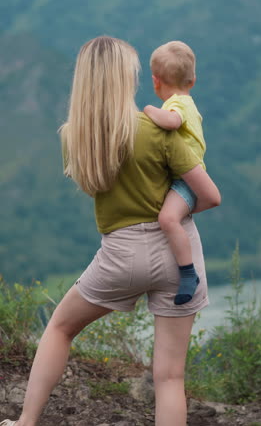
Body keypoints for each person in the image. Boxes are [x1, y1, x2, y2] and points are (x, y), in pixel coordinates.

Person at [1, 36, 221, 426]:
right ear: (127, 78)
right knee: (170, 377)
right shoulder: (157, 130)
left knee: (61, 328)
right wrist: (172, 215)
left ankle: (25, 423)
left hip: (119, 254)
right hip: (177, 255)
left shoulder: (75, 136)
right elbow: (210, 195)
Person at [144, 40, 207, 305]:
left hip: (187, 180)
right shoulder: (187, 100)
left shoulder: (177, 104)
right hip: (185, 179)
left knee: (168, 219)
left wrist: (148, 110)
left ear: (155, 81)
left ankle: (188, 273)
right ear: (192, 80)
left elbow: (172, 121)